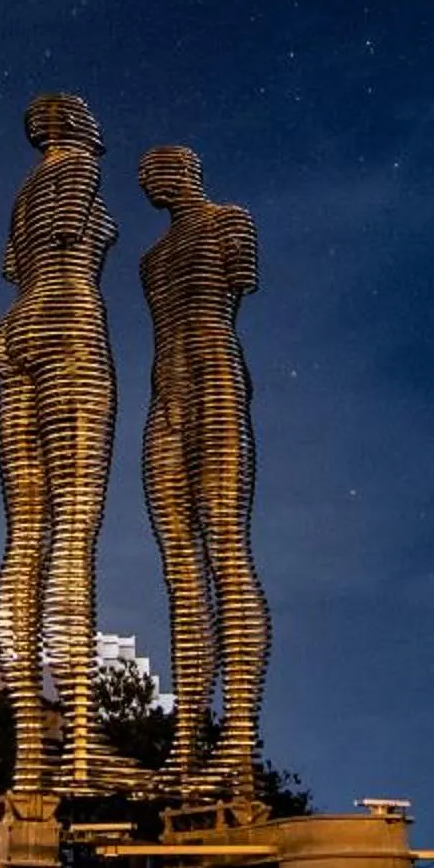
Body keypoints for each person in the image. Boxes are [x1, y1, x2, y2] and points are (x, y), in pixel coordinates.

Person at [0, 93, 116, 793]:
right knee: (73, 528)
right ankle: (82, 747)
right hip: (66, 319)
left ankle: (31, 751)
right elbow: (71, 234)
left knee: (23, 536)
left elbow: (13, 265)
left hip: (11, 329)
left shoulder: (21, 190)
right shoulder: (77, 173)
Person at [137, 143, 266, 803]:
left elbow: (234, 296)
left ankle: (237, 738)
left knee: (225, 546)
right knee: (179, 571)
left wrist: (202, 385)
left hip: (213, 370)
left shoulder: (230, 221)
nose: (147, 181)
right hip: (165, 391)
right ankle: (187, 738)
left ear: (186, 169)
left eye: (157, 169)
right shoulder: (151, 259)